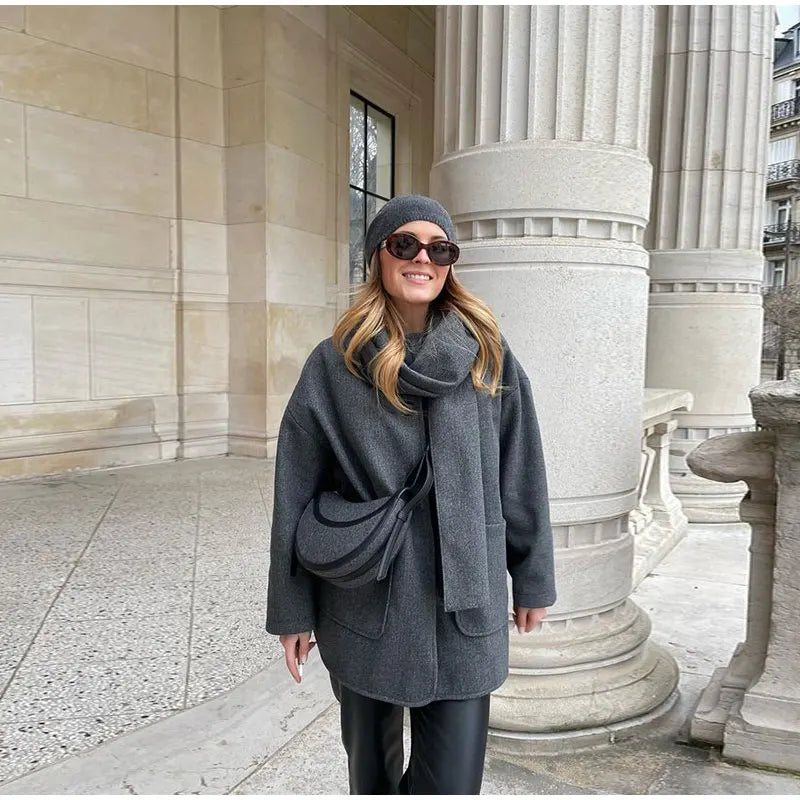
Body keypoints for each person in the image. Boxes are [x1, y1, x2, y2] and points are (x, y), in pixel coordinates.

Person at [266, 194, 556, 795]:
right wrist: (292, 610)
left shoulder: (489, 355)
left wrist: (532, 577)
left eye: (439, 249)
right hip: (366, 595)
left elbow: (521, 471)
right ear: (379, 256)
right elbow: (295, 488)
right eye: (405, 244)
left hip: (466, 598)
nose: (422, 258)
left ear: (451, 264)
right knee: (370, 778)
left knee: (451, 784)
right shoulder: (335, 363)